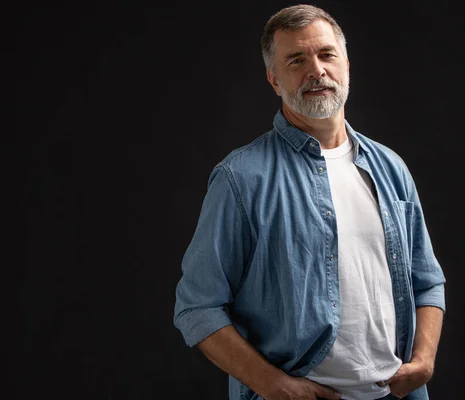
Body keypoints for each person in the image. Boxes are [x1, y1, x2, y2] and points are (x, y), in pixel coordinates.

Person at [173, 4, 446, 400]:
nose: (316, 70)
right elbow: (197, 307)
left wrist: (424, 359)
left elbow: (427, 280)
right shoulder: (241, 178)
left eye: (326, 55)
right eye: (296, 59)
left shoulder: (390, 168)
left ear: (347, 65)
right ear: (273, 78)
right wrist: (273, 385)